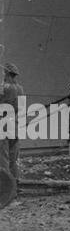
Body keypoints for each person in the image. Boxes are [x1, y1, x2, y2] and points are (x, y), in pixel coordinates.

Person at [0, 63, 22, 207]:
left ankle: (4, 190)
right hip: (15, 124)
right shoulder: (20, 88)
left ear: (6, 73)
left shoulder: (4, 87)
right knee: (13, 158)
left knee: (3, 157)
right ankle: (15, 188)